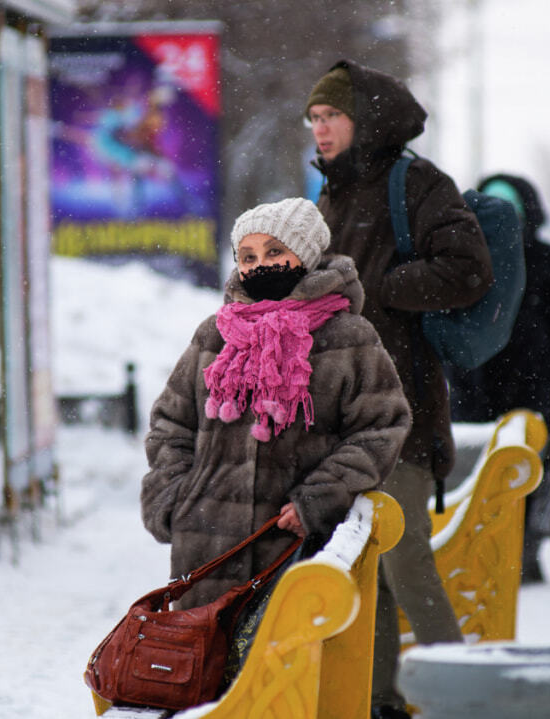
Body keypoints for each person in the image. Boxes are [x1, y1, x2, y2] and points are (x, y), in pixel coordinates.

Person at [306, 60, 494, 719]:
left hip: (404, 404)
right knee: (370, 556)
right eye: (314, 119)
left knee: (405, 550)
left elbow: (469, 269)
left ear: (364, 119)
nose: (319, 129)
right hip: (345, 414)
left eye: (330, 116)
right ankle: (385, 699)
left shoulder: (414, 181)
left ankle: (468, 695)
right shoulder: (332, 195)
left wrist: (380, 286)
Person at [141, 197, 412, 616]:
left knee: (287, 674)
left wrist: (318, 500)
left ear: (303, 255)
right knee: (205, 671)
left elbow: (381, 427)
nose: (259, 265)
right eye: (247, 257)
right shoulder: (216, 334)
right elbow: (171, 423)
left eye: (274, 252)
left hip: (296, 547)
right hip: (207, 547)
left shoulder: (349, 337)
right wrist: (174, 499)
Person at [445, 173, 550, 584]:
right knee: (477, 476)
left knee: (528, 472)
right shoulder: (464, 256)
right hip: (473, 388)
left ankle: (523, 553)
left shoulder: (547, 258)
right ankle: (482, 553)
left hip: (532, 388)